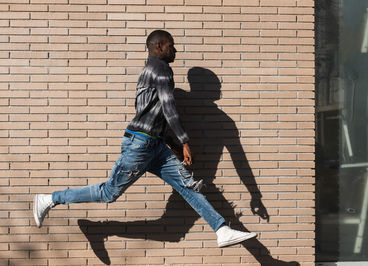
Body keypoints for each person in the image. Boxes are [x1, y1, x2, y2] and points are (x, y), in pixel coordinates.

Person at [33, 29, 257, 248]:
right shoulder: (162, 70)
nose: (175, 50)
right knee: (108, 193)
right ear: (159, 46)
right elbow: (169, 110)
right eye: (171, 46)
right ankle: (50, 199)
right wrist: (185, 141)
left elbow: (155, 116)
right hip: (141, 144)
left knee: (188, 187)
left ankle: (221, 230)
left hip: (154, 145)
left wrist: (174, 145)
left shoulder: (149, 71)